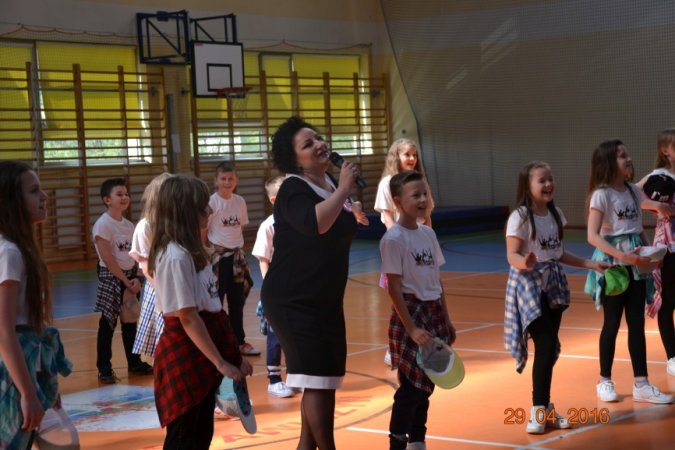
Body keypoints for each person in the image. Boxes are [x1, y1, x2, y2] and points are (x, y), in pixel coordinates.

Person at [260, 116, 363, 450]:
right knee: (317, 381)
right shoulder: (293, 188)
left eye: (318, 137)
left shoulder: (330, 183)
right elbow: (314, 224)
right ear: (295, 160)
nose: (319, 144)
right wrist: (345, 189)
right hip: (294, 300)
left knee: (325, 380)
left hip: (324, 299)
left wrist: (350, 205)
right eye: (308, 143)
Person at [504, 161, 610, 434]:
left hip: (553, 284)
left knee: (548, 349)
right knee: (546, 342)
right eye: (542, 180)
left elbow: (559, 253)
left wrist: (590, 264)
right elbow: (512, 254)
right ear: (527, 186)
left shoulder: (555, 214)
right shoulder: (520, 217)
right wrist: (525, 262)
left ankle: (546, 408)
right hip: (528, 285)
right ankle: (538, 411)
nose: (549, 184)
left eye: (550, 179)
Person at [148, 175, 253, 449]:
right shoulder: (175, 256)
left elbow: (213, 309)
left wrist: (233, 356)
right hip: (186, 354)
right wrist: (220, 362)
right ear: (186, 211)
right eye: (202, 206)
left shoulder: (195, 252)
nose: (209, 210)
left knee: (200, 434)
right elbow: (188, 317)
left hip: (201, 351)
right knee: (186, 436)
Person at [584, 140, 674, 404]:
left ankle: (641, 384)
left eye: (627, 154)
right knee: (611, 323)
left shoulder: (634, 192)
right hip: (613, 267)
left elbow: (637, 228)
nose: (629, 159)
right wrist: (622, 256)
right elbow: (592, 236)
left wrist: (651, 253)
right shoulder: (601, 195)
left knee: (636, 323)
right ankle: (604, 380)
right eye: (622, 156)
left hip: (636, 266)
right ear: (608, 162)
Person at [380, 170, 455, 450]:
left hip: (433, 313)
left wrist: (446, 319)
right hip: (411, 314)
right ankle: (398, 442)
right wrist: (411, 328)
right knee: (411, 388)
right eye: (416, 195)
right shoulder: (394, 239)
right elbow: (393, 288)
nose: (423, 199)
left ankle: (418, 440)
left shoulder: (428, 233)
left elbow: (437, 280)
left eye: (425, 193)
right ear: (398, 202)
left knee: (428, 383)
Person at [0, 161, 72, 449]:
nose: (44, 197)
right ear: (11, 201)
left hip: (26, 367)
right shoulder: (9, 252)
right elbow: (5, 331)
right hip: (13, 370)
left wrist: (44, 381)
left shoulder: (18, 249)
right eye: (34, 191)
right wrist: (28, 393)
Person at [375, 138, 435, 366]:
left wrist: (428, 239)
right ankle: (394, 347)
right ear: (396, 157)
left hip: (420, 245)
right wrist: (403, 240)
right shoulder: (388, 183)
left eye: (414, 154)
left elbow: (426, 215)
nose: (411, 158)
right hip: (401, 247)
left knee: (421, 296)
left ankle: (422, 341)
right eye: (406, 154)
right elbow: (387, 217)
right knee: (400, 296)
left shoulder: (420, 182)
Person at [92, 178, 153, 383]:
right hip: (112, 278)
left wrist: (137, 278)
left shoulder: (128, 225)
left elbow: (135, 254)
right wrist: (125, 281)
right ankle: (104, 368)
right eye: (119, 194)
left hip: (130, 278)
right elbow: (108, 258)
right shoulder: (103, 225)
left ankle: (134, 362)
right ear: (107, 200)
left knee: (130, 322)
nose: (125, 197)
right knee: (107, 324)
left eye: (126, 194)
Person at [206, 162, 258, 356]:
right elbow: (204, 230)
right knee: (216, 303)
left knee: (237, 302)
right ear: (216, 181)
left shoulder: (240, 201)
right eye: (223, 179)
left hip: (236, 258)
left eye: (231, 179)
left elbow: (240, 227)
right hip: (217, 259)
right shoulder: (211, 202)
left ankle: (239, 341)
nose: (227, 182)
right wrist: (208, 253)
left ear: (236, 181)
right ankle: (216, 343)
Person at [636, 129, 675, 377]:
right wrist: (655, 205)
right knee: (668, 301)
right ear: (665, 151)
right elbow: (631, 193)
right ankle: (672, 357)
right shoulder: (659, 176)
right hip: (670, 244)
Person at [252, 176, 295, 398]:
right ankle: (274, 379)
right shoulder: (268, 226)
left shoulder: (298, 221)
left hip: (297, 287)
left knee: (295, 334)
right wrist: (271, 289)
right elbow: (263, 259)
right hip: (277, 290)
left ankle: (295, 375)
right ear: (274, 199)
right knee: (276, 334)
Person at [129, 172, 173, 358]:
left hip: (177, 286)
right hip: (159, 290)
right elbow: (146, 267)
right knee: (162, 345)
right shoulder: (145, 226)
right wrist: (165, 292)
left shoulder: (177, 224)